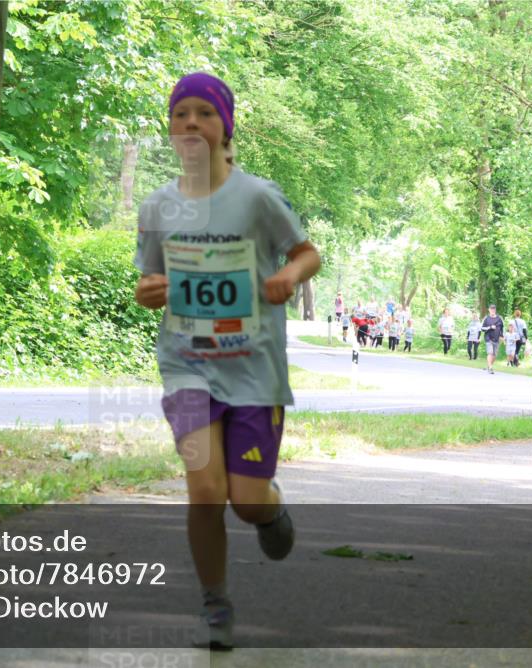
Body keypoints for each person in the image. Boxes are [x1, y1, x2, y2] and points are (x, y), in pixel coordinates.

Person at [133, 72, 322, 651]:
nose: (192, 123)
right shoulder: (157, 207)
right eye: (181, 113)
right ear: (171, 128)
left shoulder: (257, 198)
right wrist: (150, 290)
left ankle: (270, 511)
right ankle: (215, 604)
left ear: (225, 127)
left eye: (205, 114)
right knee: (203, 491)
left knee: (243, 499)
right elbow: (149, 277)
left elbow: (307, 253)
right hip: (187, 367)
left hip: (253, 372)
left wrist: (288, 276)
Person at [481, 304, 505, 374]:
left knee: (494, 355)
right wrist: (490, 327)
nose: (492, 310)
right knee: (490, 352)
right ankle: (490, 368)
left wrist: (502, 336)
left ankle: (489, 365)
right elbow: (482, 328)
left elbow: (502, 328)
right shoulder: (486, 318)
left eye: (494, 309)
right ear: (489, 310)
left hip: (497, 339)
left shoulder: (499, 318)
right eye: (491, 309)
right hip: (488, 338)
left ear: (495, 310)